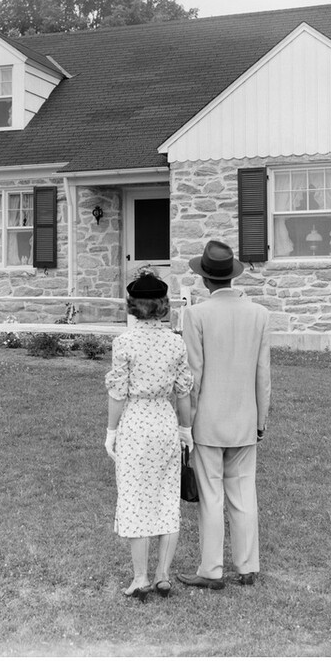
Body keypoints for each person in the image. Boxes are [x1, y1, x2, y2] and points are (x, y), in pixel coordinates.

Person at [177, 240, 271, 591]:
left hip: (208, 423)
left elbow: (193, 376)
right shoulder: (260, 315)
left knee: (211, 497)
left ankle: (212, 569)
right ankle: (248, 566)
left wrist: (187, 423)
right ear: (231, 276)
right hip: (246, 419)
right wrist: (260, 421)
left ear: (204, 279)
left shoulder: (196, 315)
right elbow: (263, 375)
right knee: (244, 494)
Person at [104, 272, 194, 602]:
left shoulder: (125, 342)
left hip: (136, 422)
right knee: (166, 496)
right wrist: (185, 430)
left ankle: (141, 576)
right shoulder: (175, 342)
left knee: (135, 497)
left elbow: (118, 392)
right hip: (165, 422)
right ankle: (163, 574)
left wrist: (111, 432)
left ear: (132, 306)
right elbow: (183, 391)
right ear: (162, 306)